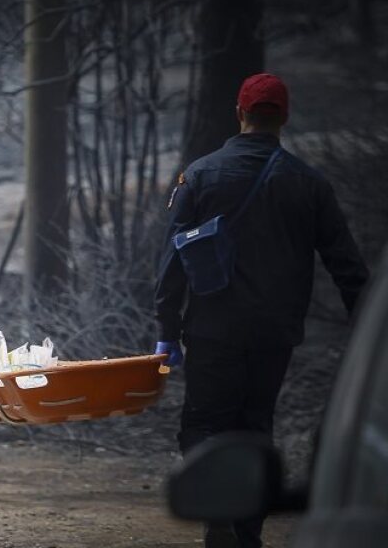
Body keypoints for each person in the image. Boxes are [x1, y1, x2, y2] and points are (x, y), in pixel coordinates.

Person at [154, 73, 368, 548]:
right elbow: (348, 268)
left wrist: (166, 330)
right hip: (275, 333)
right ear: (284, 119)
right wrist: (371, 341)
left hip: (211, 329)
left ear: (239, 113)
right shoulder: (309, 184)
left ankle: (218, 520)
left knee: (206, 424)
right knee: (256, 424)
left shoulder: (201, 174)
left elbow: (172, 259)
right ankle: (246, 532)